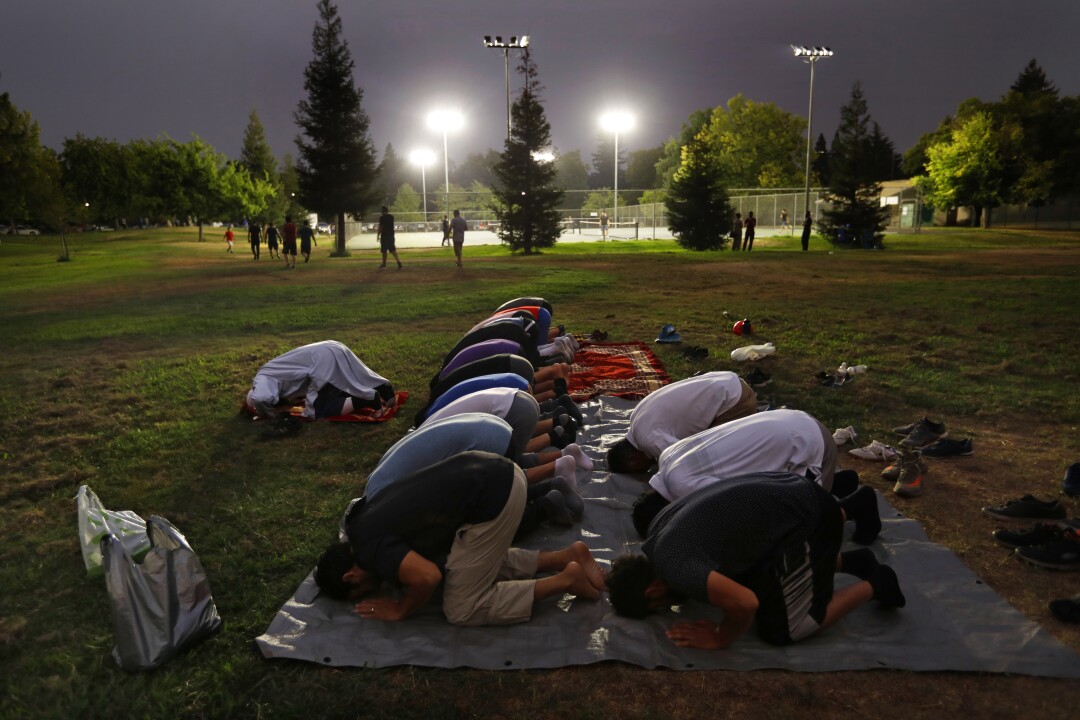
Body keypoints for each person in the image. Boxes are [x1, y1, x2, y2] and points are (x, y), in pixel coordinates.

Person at [606, 472, 906, 648]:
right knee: (747, 579)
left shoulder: (676, 568)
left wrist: (719, 636)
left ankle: (876, 584)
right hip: (789, 488)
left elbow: (744, 603)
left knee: (783, 628)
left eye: (661, 607)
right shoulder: (657, 534)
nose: (672, 607)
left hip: (811, 518)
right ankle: (850, 562)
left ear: (653, 590)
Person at [314, 451, 607, 626]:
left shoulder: (369, 550)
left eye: (362, 591)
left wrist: (401, 608)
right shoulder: (360, 523)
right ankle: (565, 556)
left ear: (350, 576)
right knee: (463, 562)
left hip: (496, 497)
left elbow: (427, 577)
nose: (375, 590)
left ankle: (565, 580)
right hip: (502, 471)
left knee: (461, 607)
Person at [606, 371, 758, 475]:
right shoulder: (635, 418)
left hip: (736, 400)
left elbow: (685, 460)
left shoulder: (649, 440)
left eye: (638, 470)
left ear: (633, 460)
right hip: (727, 378)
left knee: (717, 461)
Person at [245, 340, 396, 420]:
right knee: (352, 376)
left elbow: (261, 398)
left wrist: (268, 414)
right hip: (331, 346)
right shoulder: (272, 370)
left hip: (321, 360)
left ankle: (367, 399)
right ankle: (382, 386)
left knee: (316, 411)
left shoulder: (262, 379)